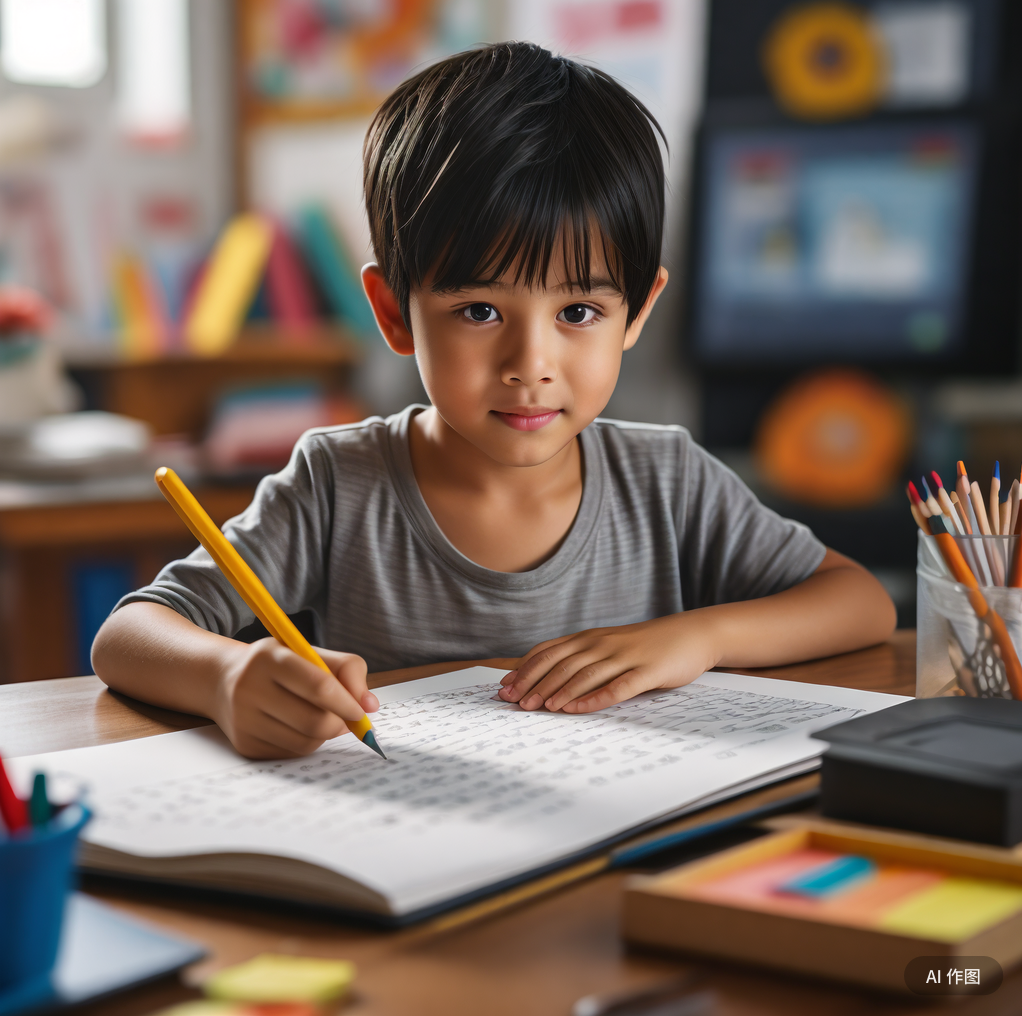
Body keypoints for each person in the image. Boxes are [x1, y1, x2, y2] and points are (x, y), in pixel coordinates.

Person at [92, 42, 896, 759]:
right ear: (392, 313)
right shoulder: (339, 484)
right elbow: (127, 635)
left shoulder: (667, 480)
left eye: (578, 313)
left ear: (637, 313)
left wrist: (701, 636)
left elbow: (861, 603)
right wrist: (229, 676)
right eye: (479, 311)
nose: (530, 364)